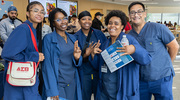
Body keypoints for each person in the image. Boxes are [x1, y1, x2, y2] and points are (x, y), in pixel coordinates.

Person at [90, 10, 152, 100]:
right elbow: (98, 67)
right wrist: (93, 55)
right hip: (105, 90)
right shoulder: (104, 44)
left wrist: (134, 49)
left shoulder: (129, 40)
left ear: (122, 26)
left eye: (116, 23)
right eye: (110, 23)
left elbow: (146, 59)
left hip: (123, 90)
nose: (112, 26)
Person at [128, 2, 179, 100]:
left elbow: (174, 47)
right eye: (133, 13)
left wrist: (168, 65)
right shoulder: (129, 35)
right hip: (141, 80)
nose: (136, 15)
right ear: (129, 16)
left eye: (139, 12)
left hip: (162, 78)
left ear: (145, 14)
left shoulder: (158, 28)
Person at [1, 1, 45, 100]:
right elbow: (7, 54)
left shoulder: (33, 29)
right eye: (36, 11)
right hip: (19, 80)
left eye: (42, 12)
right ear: (27, 13)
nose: (39, 14)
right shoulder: (23, 29)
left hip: (26, 78)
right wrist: (34, 56)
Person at [42, 8, 82, 100]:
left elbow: (78, 62)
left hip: (72, 81)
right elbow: (47, 66)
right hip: (58, 83)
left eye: (64, 18)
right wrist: (52, 89)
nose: (63, 22)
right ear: (53, 23)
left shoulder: (72, 38)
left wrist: (77, 58)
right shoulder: (48, 39)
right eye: (58, 20)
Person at [74, 11, 107, 100]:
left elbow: (105, 49)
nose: (87, 21)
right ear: (79, 21)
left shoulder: (99, 34)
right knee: (84, 95)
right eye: (83, 19)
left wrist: (96, 53)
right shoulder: (75, 37)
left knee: (99, 95)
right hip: (84, 72)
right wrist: (87, 54)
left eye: (89, 19)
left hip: (98, 71)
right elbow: (75, 58)